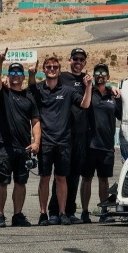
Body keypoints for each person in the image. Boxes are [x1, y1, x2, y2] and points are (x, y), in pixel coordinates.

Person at [29, 56, 92, 225]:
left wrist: (88, 87)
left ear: (59, 70)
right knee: (44, 178)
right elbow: (29, 88)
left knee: (61, 178)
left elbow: (85, 104)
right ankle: (43, 213)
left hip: (63, 141)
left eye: (55, 67)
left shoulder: (68, 91)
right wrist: (31, 74)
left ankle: (63, 212)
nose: (52, 69)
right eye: (49, 67)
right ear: (44, 69)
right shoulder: (39, 89)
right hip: (46, 141)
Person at [0, 50, 41, 227]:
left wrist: (36, 142)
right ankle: (0, 215)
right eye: (12, 72)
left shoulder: (29, 98)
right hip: (4, 146)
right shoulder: (2, 94)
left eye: (19, 72)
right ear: (8, 75)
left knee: (21, 183)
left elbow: (35, 121)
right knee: (1, 182)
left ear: (23, 77)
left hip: (23, 147)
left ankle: (17, 215)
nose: (16, 75)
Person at [48, 48, 90, 223]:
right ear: (70, 60)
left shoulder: (87, 80)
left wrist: (113, 90)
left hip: (80, 134)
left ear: (85, 62)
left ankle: (70, 211)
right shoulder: (62, 77)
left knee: (74, 175)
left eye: (81, 59)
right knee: (60, 175)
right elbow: (44, 86)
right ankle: (54, 211)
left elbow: (100, 90)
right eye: (75, 58)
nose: (78, 62)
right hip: (63, 133)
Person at [80, 62, 121, 223]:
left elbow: (121, 115)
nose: (100, 75)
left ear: (108, 76)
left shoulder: (113, 95)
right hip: (90, 144)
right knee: (87, 178)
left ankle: (104, 212)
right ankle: (84, 212)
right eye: (97, 72)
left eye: (103, 73)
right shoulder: (89, 91)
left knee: (104, 179)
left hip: (107, 145)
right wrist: (88, 87)